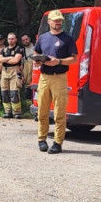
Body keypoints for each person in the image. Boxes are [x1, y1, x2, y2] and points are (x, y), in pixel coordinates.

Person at [34, 10, 77, 153]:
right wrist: (38, 60)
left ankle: (58, 142)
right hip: (44, 77)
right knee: (42, 111)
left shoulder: (68, 39)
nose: (58, 22)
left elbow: (74, 58)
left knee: (59, 111)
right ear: (49, 22)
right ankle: (42, 139)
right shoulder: (43, 37)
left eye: (60, 20)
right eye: (55, 20)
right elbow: (36, 52)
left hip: (59, 77)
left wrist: (58, 61)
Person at [0, 32, 25, 119]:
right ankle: (7, 111)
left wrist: (5, 59)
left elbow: (15, 61)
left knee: (14, 92)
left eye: (12, 39)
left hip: (14, 71)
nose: (10, 40)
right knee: (4, 92)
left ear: (16, 39)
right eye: (9, 39)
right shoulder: (4, 50)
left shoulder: (19, 49)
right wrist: (9, 58)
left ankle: (16, 112)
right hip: (4, 72)